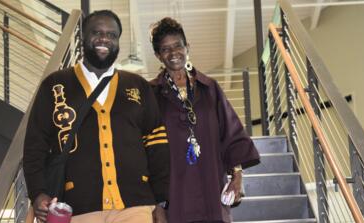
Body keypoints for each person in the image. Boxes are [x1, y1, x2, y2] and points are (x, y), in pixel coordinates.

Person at [23, 10, 169, 223]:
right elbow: (35, 144)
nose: (104, 39)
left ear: (118, 42)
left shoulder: (138, 86)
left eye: (111, 35)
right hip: (78, 207)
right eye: (96, 32)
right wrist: (37, 192)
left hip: (135, 205)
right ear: (83, 38)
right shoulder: (55, 84)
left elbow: (157, 146)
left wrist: (161, 200)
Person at [149, 17, 260, 223]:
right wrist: (156, 207)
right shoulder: (151, 94)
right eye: (165, 49)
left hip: (211, 187)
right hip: (174, 195)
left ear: (187, 46)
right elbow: (147, 150)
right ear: (158, 55)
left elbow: (231, 133)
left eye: (178, 45)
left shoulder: (210, 88)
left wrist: (237, 176)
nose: (174, 53)